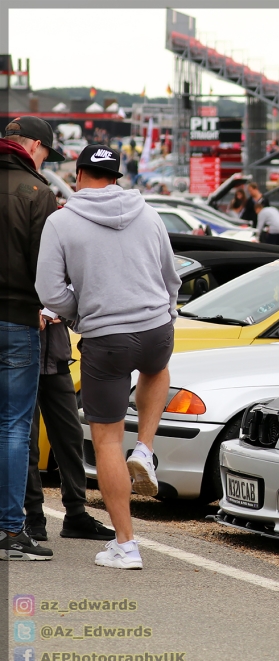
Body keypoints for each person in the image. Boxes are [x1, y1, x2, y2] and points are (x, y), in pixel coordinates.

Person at [35, 144, 180, 569]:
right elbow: (170, 274)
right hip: (156, 329)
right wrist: (164, 311)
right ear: (116, 177)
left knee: (107, 441)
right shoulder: (149, 213)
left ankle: (126, 544)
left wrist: (79, 315)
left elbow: (50, 291)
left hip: (106, 337)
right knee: (157, 367)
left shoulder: (61, 222)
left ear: (78, 175)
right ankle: (147, 449)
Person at [0, 116, 63, 561]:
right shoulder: (37, 192)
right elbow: (47, 267)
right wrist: (47, 307)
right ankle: (9, 528)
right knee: (14, 426)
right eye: (45, 154)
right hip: (16, 316)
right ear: (35, 147)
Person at [25, 312, 115, 542]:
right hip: (21, 360)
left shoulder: (55, 273)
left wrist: (60, 311)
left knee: (71, 437)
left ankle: (76, 514)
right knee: (26, 441)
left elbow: (76, 300)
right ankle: (33, 515)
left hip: (58, 360)